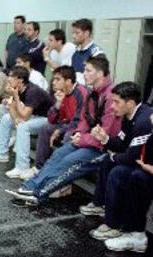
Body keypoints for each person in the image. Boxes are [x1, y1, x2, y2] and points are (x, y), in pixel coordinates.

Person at [7, 57, 121, 205]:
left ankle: (38, 193)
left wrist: (81, 137)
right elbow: (83, 119)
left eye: (88, 70)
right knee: (59, 153)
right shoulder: (93, 92)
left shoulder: (110, 95)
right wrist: (79, 133)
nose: (84, 74)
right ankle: (31, 186)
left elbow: (107, 132)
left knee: (69, 160)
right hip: (88, 139)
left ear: (100, 73)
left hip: (104, 148)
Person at [78, 82, 153, 252]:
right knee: (108, 161)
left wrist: (113, 155)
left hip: (146, 166)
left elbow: (130, 157)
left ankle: (114, 224)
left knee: (119, 172)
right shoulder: (128, 116)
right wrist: (105, 139)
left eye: (117, 102)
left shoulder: (144, 121)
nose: (112, 106)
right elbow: (120, 143)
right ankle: (101, 204)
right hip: (142, 163)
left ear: (131, 103)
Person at [0, 66, 54, 180]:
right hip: (35, 116)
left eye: (12, 76)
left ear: (21, 80)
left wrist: (15, 97)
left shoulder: (33, 91)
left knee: (23, 127)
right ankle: (2, 154)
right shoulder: (17, 89)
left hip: (49, 119)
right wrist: (13, 98)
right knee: (6, 119)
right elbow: (14, 114)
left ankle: (22, 167)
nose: (8, 78)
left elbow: (24, 115)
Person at [34, 65, 86, 173]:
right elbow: (51, 120)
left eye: (58, 79)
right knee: (46, 128)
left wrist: (60, 130)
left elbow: (79, 121)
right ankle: (39, 168)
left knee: (68, 135)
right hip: (66, 125)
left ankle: (60, 173)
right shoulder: (59, 92)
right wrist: (58, 104)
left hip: (81, 128)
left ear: (68, 81)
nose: (53, 82)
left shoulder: (81, 93)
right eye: (54, 79)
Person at [71, 19, 105, 84]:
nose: (74, 36)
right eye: (73, 33)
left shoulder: (96, 53)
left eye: (77, 33)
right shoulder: (76, 52)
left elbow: (100, 78)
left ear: (87, 33)